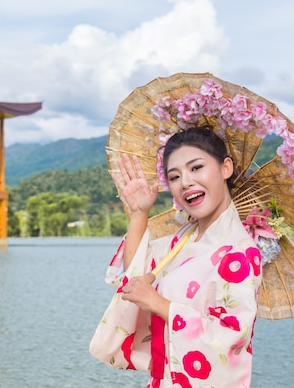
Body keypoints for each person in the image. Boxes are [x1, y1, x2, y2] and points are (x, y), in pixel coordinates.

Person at [91, 126, 262, 388]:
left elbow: (231, 337)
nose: (185, 182)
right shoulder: (182, 240)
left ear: (225, 168)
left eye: (196, 168)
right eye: (174, 176)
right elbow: (135, 282)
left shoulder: (240, 252)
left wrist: (160, 304)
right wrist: (139, 214)